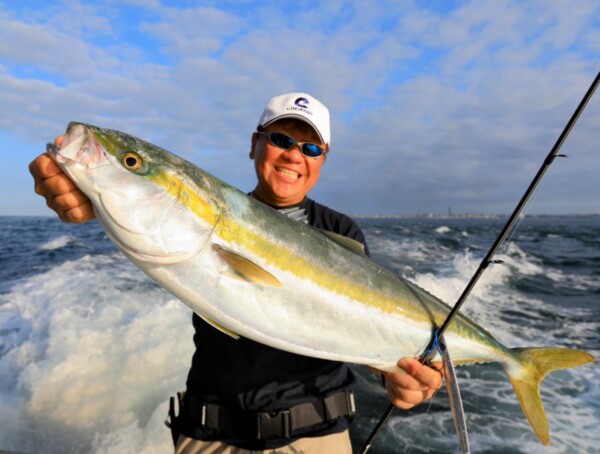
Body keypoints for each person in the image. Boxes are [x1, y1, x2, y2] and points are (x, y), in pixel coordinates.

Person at [29, 93, 443, 453]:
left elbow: (359, 324)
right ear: (254, 144)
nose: (293, 155)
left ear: (322, 161)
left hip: (317, 438)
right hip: (210, 435)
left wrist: (402, 373)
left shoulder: (341, 234)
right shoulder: (207, 212)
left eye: (310, 148)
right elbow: (146, 223)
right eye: (280, 140)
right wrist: (83, 193)